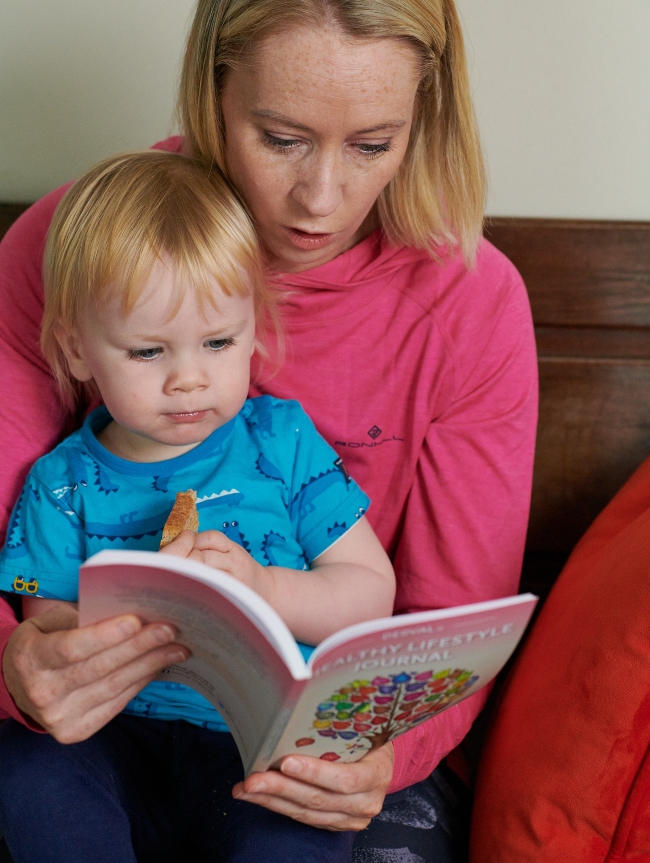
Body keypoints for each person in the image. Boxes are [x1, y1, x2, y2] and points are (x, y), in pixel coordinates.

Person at [0, 0, 538, 859]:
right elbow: (25, 588)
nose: (321, 199)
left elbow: (448, 636)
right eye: (281, 138)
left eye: (374, 144)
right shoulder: (73, 248)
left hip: (324, 760)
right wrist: (18, 669)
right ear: (215, 88)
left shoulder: (471, 301)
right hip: (96, 738)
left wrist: (375, 757)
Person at [0, 149, 396, 862]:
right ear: (78, 349)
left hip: (258, 742)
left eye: (218, 342)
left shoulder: (283, 443)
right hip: (114, 739)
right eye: (148, 352)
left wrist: (265, 587)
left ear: (255, 326)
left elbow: (371, 592)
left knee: (297, 825)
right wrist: (98, 633)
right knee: (25, 770)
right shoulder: (59, 482)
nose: (189, 379)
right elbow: (46, 620)